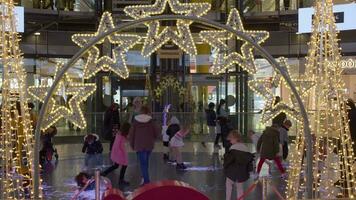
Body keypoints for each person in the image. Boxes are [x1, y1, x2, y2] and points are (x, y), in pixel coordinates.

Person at [128, 106, 160, 185]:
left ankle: (146, 181)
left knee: (142, 163)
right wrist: (153, 138)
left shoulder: (135, 121)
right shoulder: (151, 121)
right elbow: (157, 132)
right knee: (146, 162)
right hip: (149, 144)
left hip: (139, 144)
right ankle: (145, 178)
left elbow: (132, 134)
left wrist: (132, 144)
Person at [224, 130, 254, 200]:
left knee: (228, 185)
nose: (230, 141)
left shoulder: (232, 148)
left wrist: (225, 166)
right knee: (240, 187)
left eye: (231, 139)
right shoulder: (245, 147)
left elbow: (228, 161)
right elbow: (248, 161)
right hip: (241, 172)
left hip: (232, 171)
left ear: (235, 138)